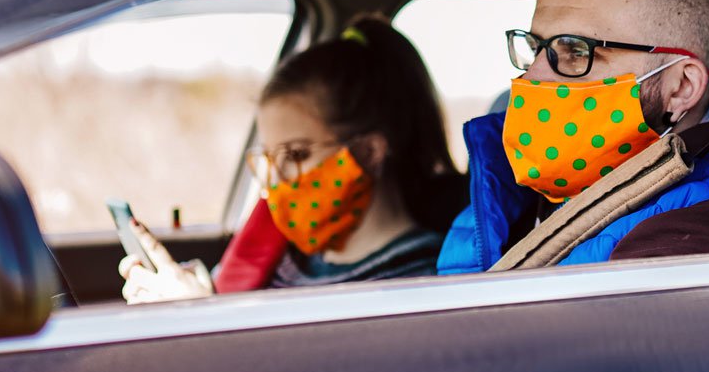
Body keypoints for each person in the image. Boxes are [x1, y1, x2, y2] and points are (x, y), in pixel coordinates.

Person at [437, 0, 709, 273]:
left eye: (576, 50)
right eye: (536, 47)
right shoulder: (525, 191)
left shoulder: (702, 229)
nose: (532, 76)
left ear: (682, 88)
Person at [121, 15, 466, 301]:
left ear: (368, 152)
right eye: (271, 157)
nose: (277, 179)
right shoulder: (286, 259)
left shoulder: (420, 280)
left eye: (296, 153)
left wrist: (199, 317)